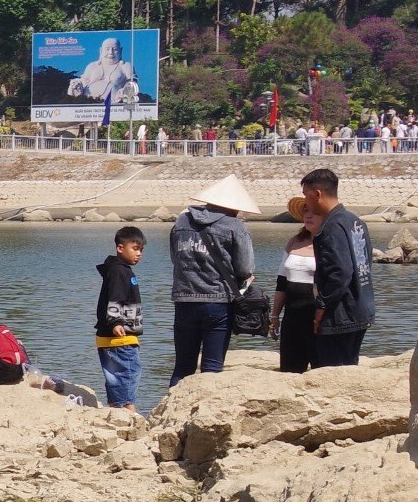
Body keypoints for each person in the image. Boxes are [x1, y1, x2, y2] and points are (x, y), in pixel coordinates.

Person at [167, 175, 260, 383]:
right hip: (217, 301)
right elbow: (246, 268)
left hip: (184, 299)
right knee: (212, 367)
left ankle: (171, 410)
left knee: (182, 367)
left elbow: (175, 258)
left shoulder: (182, 221)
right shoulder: (235, 226)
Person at [301, 167, 374, 368]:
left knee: (331, 372)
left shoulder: (332, 226)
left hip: (340, 314)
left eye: (305, 196)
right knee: (348, 368)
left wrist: (321, 306)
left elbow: (340, 273)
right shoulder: (355, 221)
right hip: (361, 307)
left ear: (317, 194)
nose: (305, 202)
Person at [95, 226, 145, 409]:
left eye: (141, 250)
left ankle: (117, 408)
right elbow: (116, 296)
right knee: (129, 373)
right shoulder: (119, 271)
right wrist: (115, 322)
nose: (138, 253)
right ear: (120, 248)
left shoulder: (118, 269)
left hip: (107, 337)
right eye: (135, 248)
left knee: (115, 376)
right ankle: (129, 411)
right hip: (119, 337)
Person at [271, 199, 322, 374]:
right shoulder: (294, 241)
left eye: (314, 212)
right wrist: (275, 315)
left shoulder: (328, 242)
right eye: (305, 211)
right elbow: (282, 282)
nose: (308, 216)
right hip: (292, 315)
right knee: (289, 369)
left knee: (320, 368)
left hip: (318, 315)